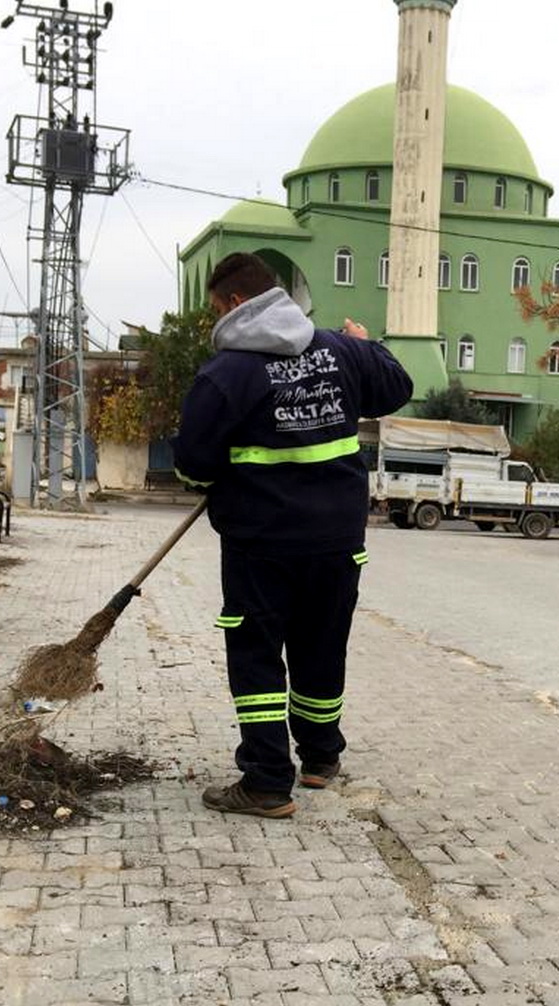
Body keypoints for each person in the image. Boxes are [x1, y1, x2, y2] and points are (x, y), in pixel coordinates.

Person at [172, 252, 414, 817]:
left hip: (261, 546)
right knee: (321, 647)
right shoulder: (343, 351)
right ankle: (321, 759)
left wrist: (229, 468)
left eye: (214, 308)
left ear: (235, 304)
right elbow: (396, 387)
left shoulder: (226, 375)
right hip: (336, 541)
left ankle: (265, 782)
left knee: (257, 656)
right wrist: (371, 345)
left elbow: (192, 468)